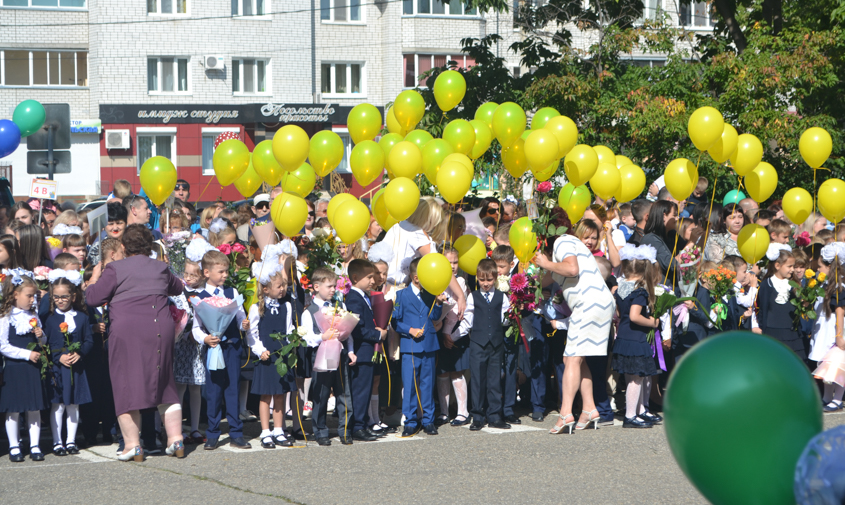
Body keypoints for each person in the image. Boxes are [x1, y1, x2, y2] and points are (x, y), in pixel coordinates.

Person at [85, 224, 187, 461]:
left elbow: (93, 298)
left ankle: (133, 445)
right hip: (160, 329)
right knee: (165, 384)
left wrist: (94, 277)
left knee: (125, 385)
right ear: (149, 245)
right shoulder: (160, 267)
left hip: (128, 331)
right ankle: (176, 440)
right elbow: (179, 286)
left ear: (123, 246)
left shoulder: (115, 269)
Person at [533, 208, 615, 435]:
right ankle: (589, 409)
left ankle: (565, 413)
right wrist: (538, 277)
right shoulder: (573, 243)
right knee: (581, 358)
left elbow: (571, 269)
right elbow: (551, 276)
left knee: (570, 358)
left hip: (588, 304)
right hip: (601, 302)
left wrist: (545, 263)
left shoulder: (562, 241)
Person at [190, 249, 251, 450]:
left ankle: (236, 432)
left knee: (232, 389)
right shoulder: (199, 296)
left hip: (231, 347)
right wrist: (205, 338)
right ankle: (213, 433)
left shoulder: (231, 292)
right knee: (214, 391)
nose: (225, 275)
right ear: (206, 273)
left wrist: (244, 325)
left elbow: (240, 315)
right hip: (213, 348)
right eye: (221, 272)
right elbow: (196, 327)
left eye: (226, 271)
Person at [246, 256, 296, 449]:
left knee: (281, 394)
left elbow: (289, 327)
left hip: (282, 356)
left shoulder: (287, 306)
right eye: (278, 286)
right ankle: (265, 431)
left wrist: (293, 342)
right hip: (266, 355)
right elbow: (252, 333)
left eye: (283, 285)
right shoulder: (257, 307)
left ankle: (279, 429)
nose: (282, 289)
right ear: (266, 289)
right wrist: (260, 350)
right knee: (265, 395)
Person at [612, 246, 664, 428]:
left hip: (624, 337)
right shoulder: (640, 291)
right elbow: (635, 316)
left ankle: (638, 411)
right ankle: (630, 415)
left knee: (631, 377)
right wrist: (653, 322)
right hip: (635, 339)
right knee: (637, 378)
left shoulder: (620, 288)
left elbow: (618, 313)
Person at [393, 257, 445, 437]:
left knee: (427, 384)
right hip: (410, 346)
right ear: (416, 277)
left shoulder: (430, 293)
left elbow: (435, 316)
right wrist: (410, 330)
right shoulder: (401, 295)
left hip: (429, 345)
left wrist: (438, 302)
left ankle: (428, 420)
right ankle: (410, 421)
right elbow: (395, 321)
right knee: (410, 385)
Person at [0, 272, 49, 462]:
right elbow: (2, 345)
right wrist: (26, 354)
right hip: (15, 367)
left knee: (34, 408)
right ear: (15, 295)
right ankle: (14, 445)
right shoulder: (6, 316)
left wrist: (40, 335)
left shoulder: (33, 315)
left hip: (32, 368)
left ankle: (35, 445)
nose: (32, 299)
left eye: (35, 296)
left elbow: (43, 342)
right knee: (14, 409)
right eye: (29, 295)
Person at [79, 238, 122, 446]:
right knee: (93, 394)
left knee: (109, 393)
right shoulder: (86, 304)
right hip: (93, 354)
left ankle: (109, 429)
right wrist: (93, 328)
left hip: (110, 353)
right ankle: (89, 431)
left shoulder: (112, 300)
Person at [460, 258, 512, 431]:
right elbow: (468, 320)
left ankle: (495, 415)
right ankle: (477, 416)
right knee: (477, 381)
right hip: (477, 344)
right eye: (482, 280)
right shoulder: (473, 296)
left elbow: (505, 320)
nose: (486, 283)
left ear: (496, 278)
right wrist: (452, 335)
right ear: (477, 278)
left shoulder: (501, 296)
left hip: (496, 344)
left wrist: (512, 314)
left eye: (489, 280)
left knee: (495, 380)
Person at [44, 270, 92, 456]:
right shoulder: (49, 319)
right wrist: (58, 357)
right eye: (56, 297)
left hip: (76, 368)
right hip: (57, 369)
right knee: (58, 406)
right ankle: (57, 442)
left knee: (73, 405)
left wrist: (79, 353)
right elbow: (46, 344)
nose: (60, 300)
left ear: (73, 296)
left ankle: (71, 441)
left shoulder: (82, 318)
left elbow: (88, 340)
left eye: (64, 296)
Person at [302, 267, 352, 445]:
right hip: (321, 354)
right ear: (316, 286)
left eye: (334, 286)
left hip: (339, 353)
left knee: (343, 392)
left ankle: (345, 430)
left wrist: (351, 350)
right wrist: (321, 337)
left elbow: (348, 332)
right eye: (329, 286)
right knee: (321, 393)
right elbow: (306, 337)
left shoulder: (339, 306)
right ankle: (320, 430)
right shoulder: (309, 311)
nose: (333, 290)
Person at [345, 259, 387, 442]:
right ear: (355, 278)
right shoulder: (354, 298)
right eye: (369, 277)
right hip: (361, 352)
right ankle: (358, 426)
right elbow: (357, 328)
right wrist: (378, 335)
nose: (373, 280)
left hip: (367, 352)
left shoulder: (363, 296)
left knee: (366, 389)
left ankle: (363, 423)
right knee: (360, 391)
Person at [434, 245, 471, 427]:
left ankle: (462, 411)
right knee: (442, 372)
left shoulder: (461, 282)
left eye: (456, 262)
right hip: (439, 330)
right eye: (449, 262)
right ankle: (443, 411)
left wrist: (450, 334)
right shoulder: (437, 281)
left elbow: (457, 308)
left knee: (457, 370)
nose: (453, 266)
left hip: (456, 330)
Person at [172, 255, 206, 445]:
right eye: (186, 274)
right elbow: (176, 316)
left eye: (194, 275)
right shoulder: (178, 293)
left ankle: (194, 427)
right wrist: (184, 334)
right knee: (180, 388)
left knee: (196, 388)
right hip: (181, 345)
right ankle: (177, 428)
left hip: (198, 347)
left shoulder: (203, 294)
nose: (189, 278)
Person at [756, 247, 806, 362]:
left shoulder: (794, 285)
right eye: (789, 266)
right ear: (777, 266)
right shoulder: (766, 284)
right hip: (772, 332)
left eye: (793, 266)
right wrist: (763, 330)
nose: (793, 270)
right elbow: (762, 309)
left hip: (792, 332)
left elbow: (799, 307)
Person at [813, 244, 845, 411]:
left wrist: (839, 335)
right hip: (827, 328)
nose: (818, 270)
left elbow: (840, 311)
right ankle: (827, 396)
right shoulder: (826, 285)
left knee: (837, 364)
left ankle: (838, 399)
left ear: (829, 267)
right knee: (827, 364)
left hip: (836, 329)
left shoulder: (839, 288)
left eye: (820, 266)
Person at [641, 200, 687, 290]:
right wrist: (691, 242)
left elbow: (692, 254)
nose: (677, 219)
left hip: (676, 290)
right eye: (674, 215)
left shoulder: (672, 235)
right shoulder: (650, 239)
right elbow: (672, 265)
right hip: (660, 293)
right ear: (663, 216)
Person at [87, 202, 128, 267]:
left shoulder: (132, 245)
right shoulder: (97, 248)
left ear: (126, 224)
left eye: (119, 223)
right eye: (110, 224)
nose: (115, 228)